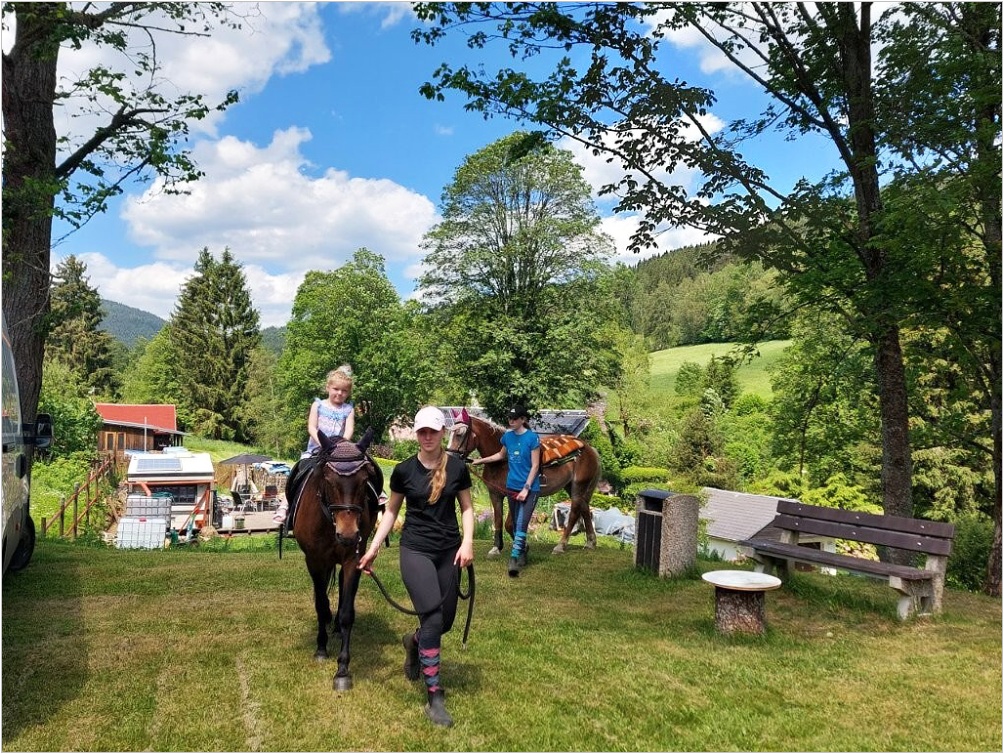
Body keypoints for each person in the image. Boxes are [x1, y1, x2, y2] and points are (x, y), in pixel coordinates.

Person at [359, 406, 475, 728]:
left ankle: (413, 642)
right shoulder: (404, 471)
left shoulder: (457, 468)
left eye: (432, 431)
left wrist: (467, 543)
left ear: (442, 433)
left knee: (444, 622)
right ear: (416, 433)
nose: (427, 437)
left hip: (449, 551)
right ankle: (435, 697)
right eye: (422, 431)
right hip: (416, 550)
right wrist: (373, 548)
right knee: (433, 619)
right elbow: (392, 512)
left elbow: (467, 508)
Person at [273, 365, 355, 524]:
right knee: (298, 471)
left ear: (348, 392)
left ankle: (376, 493)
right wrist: (324, 444)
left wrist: (340, 445)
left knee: (358, 466)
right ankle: (285, 505)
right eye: (336, 389)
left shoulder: (348, 409)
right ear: (328, 387)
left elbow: (349, 430)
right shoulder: (318, 405)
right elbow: (311, 427)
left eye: (344, 391)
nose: (339, 393)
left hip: (338, 450)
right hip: (316, 449)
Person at [471, 404, 540, 578]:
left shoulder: (532, 438)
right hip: (512, 487)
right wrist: (480, 461)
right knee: (515, 524)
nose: (511, 421)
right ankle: (522, 551)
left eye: (514, 418)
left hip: (529, 489)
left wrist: (526, 488)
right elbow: (500, 456)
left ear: (523, 419)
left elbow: (535, 466)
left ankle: (513, 559)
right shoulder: (507, 437)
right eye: (509, 418)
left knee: (521, 523)